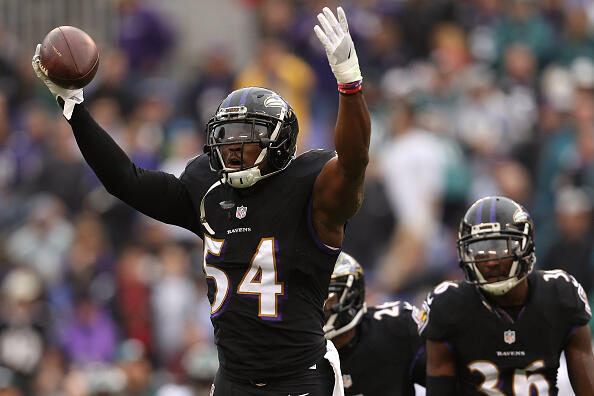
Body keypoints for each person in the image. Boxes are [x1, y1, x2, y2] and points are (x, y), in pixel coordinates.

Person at [32, 6, 369, 396]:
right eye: (226, 137)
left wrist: (349, 81)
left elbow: (355, 160)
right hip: (232, 379)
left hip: (301, 376)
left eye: (246, 138)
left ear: (279, 144)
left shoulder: (310, 184)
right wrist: (74, 109)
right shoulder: (207, 186)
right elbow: (125, 181)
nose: (233, 149)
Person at [418, 196, 594, 396]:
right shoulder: (448, 305)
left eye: (502, 245)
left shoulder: (561, 296)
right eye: (479, 249)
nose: (491, 260)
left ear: (526, 247)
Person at [324, 252, 426, 396]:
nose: (316, 305)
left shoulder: (395, 328)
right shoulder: (294, 347)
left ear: (351, 299)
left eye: (326, 297)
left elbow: (447, 380)